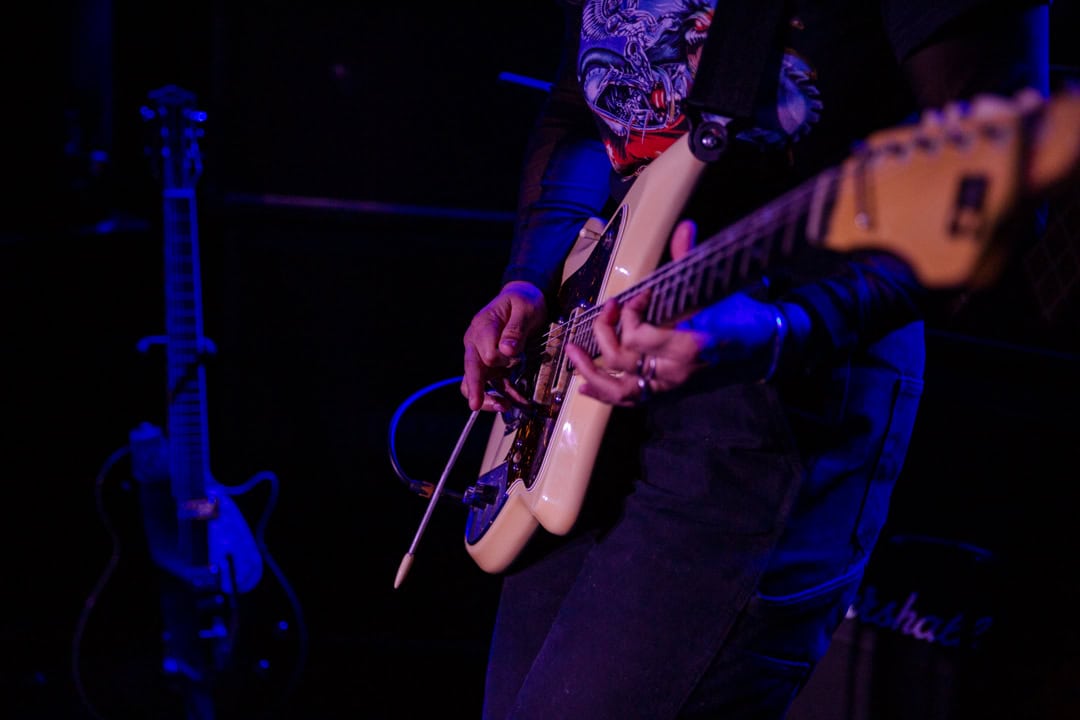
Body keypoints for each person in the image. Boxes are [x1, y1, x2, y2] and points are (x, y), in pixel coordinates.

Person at [460, 1, 1051, 717]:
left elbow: (999, 188)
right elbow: (580, 110)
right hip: (592, 375)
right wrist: (528, 278)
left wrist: (781, 327)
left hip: (778, 401)